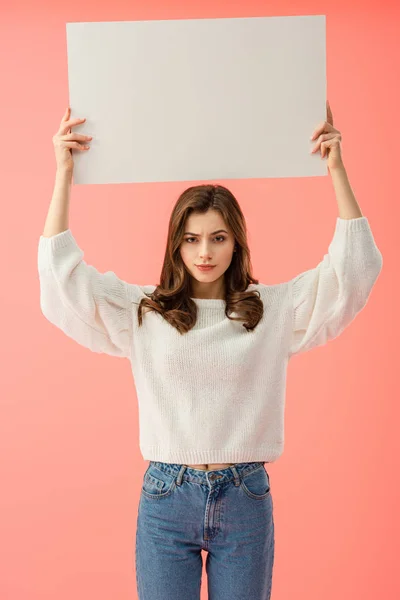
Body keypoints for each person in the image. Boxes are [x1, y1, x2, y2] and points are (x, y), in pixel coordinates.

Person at [38, 104, 383, 600]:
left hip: (245, 496)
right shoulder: (145, 312)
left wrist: (336, 167)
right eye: (192, 239)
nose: (205, 253)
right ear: (176, 245)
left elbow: (352, 272)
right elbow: (62, 282)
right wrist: (64, 173)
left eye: (218, 238)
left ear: (236, 243)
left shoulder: (269, 311)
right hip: (166, 495)